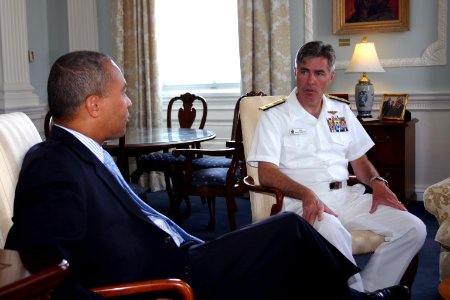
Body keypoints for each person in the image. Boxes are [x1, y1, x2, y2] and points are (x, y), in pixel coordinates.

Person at [5, 51, 408, 300]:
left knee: (289, 237)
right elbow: (42, 266)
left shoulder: (85, 153)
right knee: (291, 230)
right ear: (93, 105)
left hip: (186, 253)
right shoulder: (53, 163)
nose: (129, 102)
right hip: (172, 276)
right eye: (123, 92)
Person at [247, 41, 426, 293]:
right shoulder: (274, 115)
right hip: (301, 202)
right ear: (295, 72)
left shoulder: (340, 111)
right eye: (304, 71)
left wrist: (377, 182)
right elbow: (266, 171)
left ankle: (370, 290)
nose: (310, 81)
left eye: (319, 73)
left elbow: (360, 161)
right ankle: (354, 293)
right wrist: (306, 194)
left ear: (330, 76)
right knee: (331, 229)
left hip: (346, 196)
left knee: (414, 228)